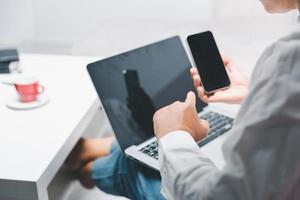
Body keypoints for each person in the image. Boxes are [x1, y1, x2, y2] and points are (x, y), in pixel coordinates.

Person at [66, 0, 300, 199]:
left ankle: (88, 171)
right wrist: (258, 94)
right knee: (149, 145)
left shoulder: (291, 59)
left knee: (133, 167)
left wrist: (173, 136)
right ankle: (101, 149)